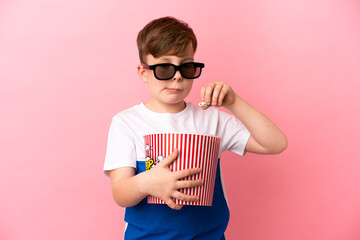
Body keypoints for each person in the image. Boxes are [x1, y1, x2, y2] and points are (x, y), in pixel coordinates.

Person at [104, 16, 287, 240]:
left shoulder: (211, 119)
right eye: (164, 68)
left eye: (187, 66)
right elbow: (121, 193)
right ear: (144, 72)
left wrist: (233, 102)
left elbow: (275, 144)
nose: (178, 75)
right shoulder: (127, 122)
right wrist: (148, 181)